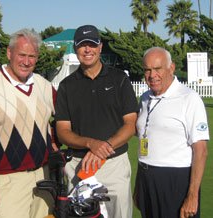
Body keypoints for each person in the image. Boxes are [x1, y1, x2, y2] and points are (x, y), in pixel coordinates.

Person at [0, 28, 56, 218]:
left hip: (43, 177)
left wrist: (54, 139)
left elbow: (66, 118)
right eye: (21, 54)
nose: (26, 61)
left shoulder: (43, 86)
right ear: (9, 53)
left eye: (32, 56)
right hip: (6, 182)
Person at [55, 24, 139, 218]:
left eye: (92, 44)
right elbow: (63, 130)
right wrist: (90, 143)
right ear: (76, 49)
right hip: (79, 165)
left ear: (100, 47)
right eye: (82, 45)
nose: (87, 50)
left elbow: (130, 124)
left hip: (114, 165)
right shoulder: (67, 86)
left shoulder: (119, 79)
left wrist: (103, 148)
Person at [134, 47, 209, 218]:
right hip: (147, 178)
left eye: (158, 69)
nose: (152, 75)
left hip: (175, 180)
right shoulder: (145, 98)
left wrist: (192, 195)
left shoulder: (189, 98)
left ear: (171, 68)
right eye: (147, 70)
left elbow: (201, 150)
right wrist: (139, 186)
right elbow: (145, 141)